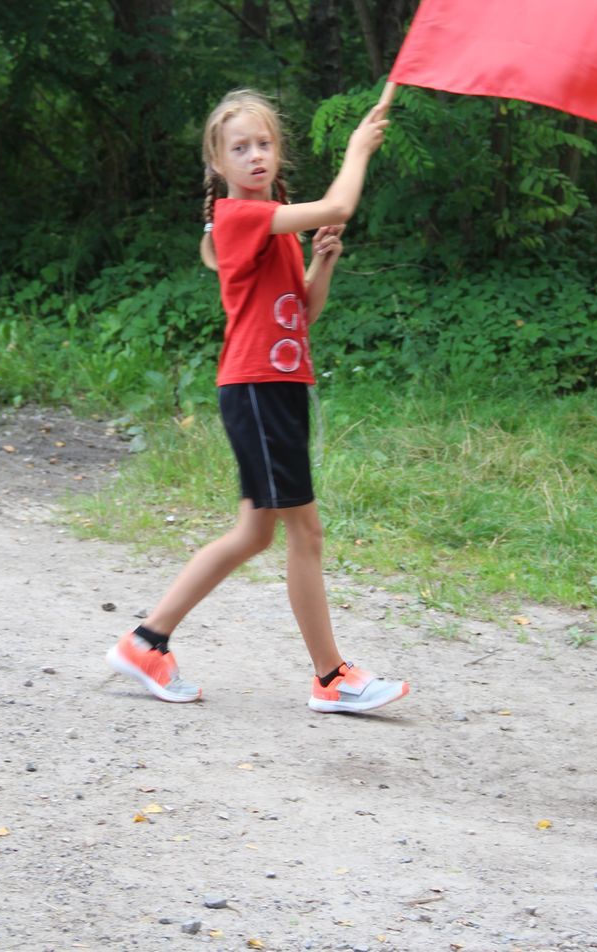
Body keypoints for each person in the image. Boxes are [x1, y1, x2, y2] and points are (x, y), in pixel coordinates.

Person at [106, 88, 409, 715]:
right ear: (218, 164)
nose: (255, 155)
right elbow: (340, 203)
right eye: (239, 148)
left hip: (274, 387)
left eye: (264, 143)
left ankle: (146, 642)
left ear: (277, 150)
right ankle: (331, 677)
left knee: (254, 533)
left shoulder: (277, 221)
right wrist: (357, 149)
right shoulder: (240, 216)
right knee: (305, 531)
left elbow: (301, 312)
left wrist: (323, 263)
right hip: (257, 388)